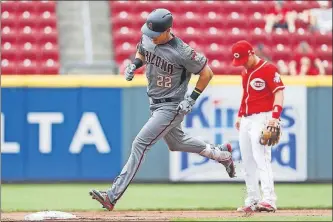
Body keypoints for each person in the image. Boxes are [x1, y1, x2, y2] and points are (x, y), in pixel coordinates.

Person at [89, 8, 236, 211]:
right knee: (177, 143)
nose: (151, 37)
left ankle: (112, 196)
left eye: (155, 34)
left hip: (172, 105)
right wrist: (135, 64)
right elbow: (142, 49)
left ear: (168, 31)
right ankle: (222, 155)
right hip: (155, 102)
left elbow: (207, 73)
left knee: (140, 143)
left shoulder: (182, 51)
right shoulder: (149, 37)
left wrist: (192, 99)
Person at [232, 40, 285, 213]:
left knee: (261, 158)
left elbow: (279, 92)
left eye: (244, 59)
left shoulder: (268, 69)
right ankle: (253, 200)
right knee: (247, 161)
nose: (243, 64)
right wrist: (240, 115)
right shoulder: (245, 72)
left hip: (263, 118)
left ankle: (269, 199)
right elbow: (245, 95)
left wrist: (275, 118)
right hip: (247, 119)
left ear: (251, 53)